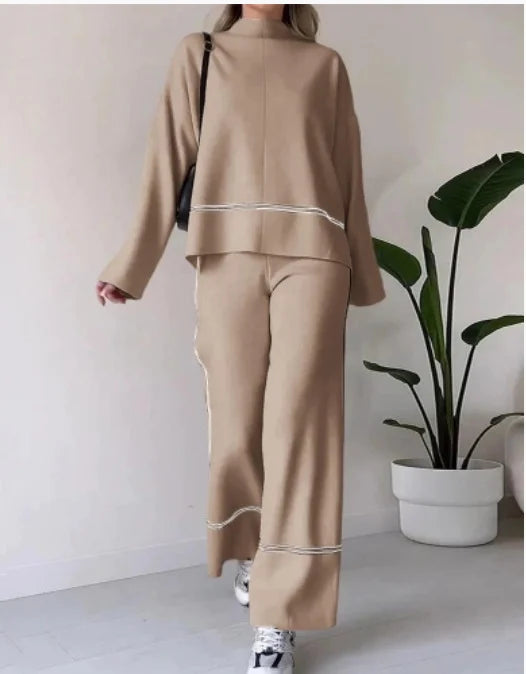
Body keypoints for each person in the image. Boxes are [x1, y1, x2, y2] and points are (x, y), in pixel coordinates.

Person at [96, 4, 386, 672]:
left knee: (300, 426)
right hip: (224, 254)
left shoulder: (324, 65)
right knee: (235, 425)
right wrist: (132, 265)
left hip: (315, 255)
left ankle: (277, 619)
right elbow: (167, 159)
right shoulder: (199, 53)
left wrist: (363, 274)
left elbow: (347, 172)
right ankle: (256, 548)